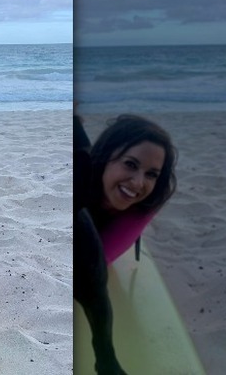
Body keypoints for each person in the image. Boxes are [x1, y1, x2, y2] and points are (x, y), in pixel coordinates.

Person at [74, 113, 177, 374]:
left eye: (152, 174)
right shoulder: (83, 172)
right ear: (106, 156)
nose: (139, 182)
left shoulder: (143, 204)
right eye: (130, 164)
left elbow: (97, 282)